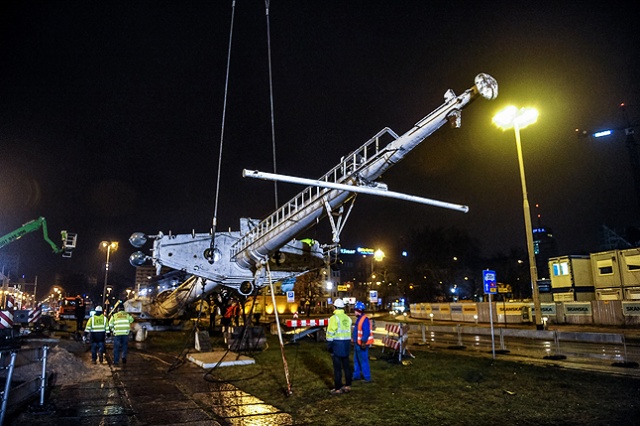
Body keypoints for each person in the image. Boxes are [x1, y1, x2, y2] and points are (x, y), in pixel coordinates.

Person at [326, 298, 352, 395]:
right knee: (346, 367)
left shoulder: (334, 318)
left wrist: (329, 345)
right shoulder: (347, 318)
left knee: (337, 368)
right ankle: (348, 385)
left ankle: (338, 388)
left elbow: (330, 333)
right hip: (346, 344)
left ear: (335, 307)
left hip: (337, 345)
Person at [352, 301, 374, 383]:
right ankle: (356, 375)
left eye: (355, 310)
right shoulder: (360, 319)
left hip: (362, 344)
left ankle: (367, 377)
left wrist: (364, 342)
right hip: (358, 343)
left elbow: (366, 332)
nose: (354, 312)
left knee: (363, 360)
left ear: (358, 310)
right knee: (356, 360)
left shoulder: (364, 320)